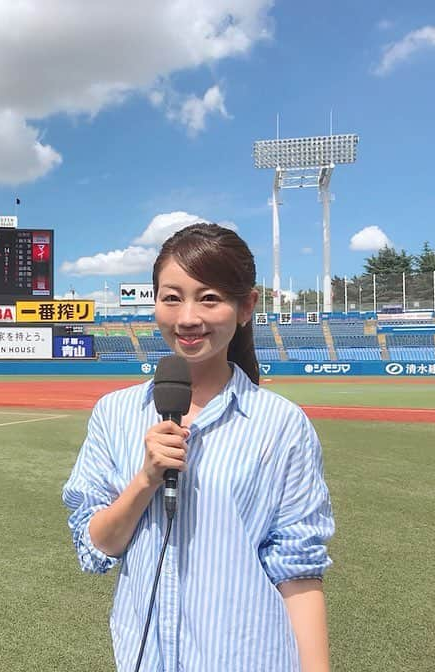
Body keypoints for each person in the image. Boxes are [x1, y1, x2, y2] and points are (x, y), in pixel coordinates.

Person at [62, 223, 334, 672]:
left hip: (250, 656)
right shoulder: (114, 414)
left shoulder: (282, 425)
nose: (188, 317)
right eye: (172, 297)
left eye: (209, 298)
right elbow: (95, 548)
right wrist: (146, 479)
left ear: (246, 306)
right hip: (144, 658)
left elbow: (299, 572)